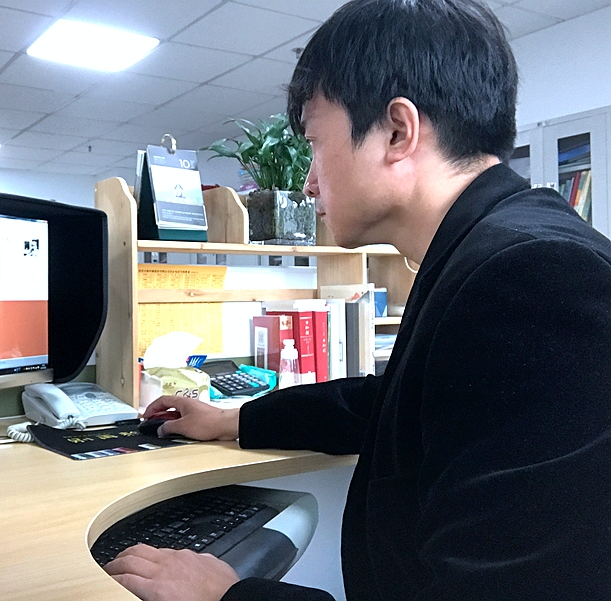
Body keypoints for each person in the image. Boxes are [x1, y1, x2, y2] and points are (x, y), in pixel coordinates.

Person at [105, 1, 611, 599]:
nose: (308, 183)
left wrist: (229, 596)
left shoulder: (535, 276)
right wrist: (234, 419)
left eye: (316, 143)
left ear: (398, 132)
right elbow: (394, 404)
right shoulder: (488, 251)